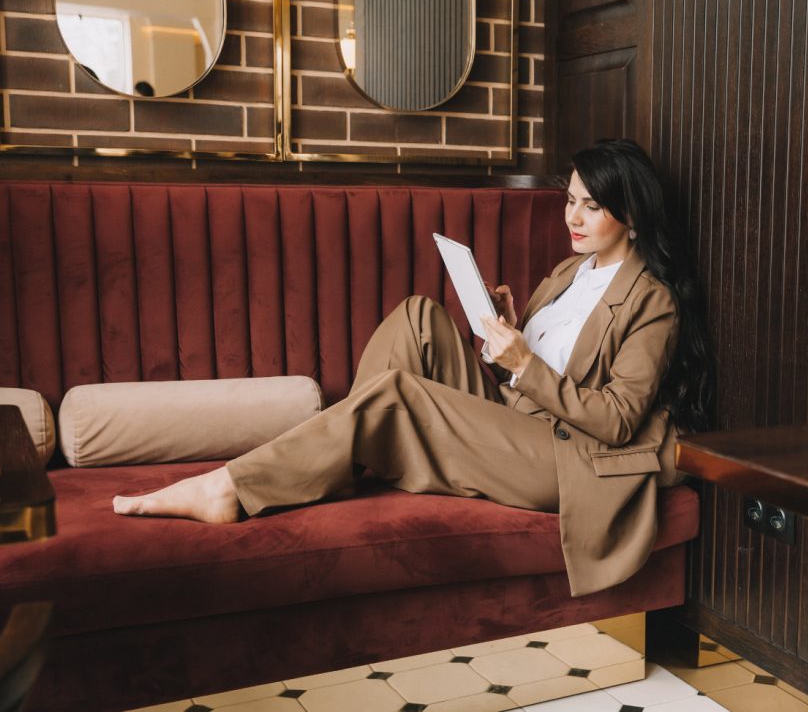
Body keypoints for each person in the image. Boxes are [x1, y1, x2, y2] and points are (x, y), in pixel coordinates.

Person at [113, 139, 714, 596]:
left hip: (565, 454)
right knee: (418, 315)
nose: (572, 218)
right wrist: (513, 327)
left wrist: (525, 361)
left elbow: (615, 419)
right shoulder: (568, 272)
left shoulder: (651, 299)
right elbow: (532, 369)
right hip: (516, 414)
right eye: (569, 200)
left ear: (630, 215)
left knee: (399, 394)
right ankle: (344, 454)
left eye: (591, 206)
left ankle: (230, 488)